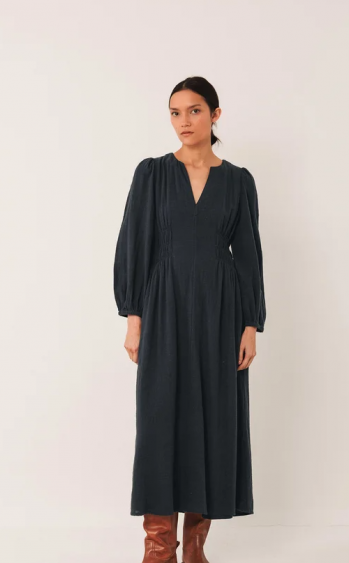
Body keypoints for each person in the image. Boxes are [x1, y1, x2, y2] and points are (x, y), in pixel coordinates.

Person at [113, 76, 266, 563]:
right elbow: (134, 244)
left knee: (215, 420)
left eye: (195, 111)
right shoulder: (152, 174)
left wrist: (250, 324)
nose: (184, 121)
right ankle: (159, 547)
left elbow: (248, 255)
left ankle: (196, 546)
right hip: (164, 307)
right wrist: (133, 317)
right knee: (159, 420)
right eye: (175, 113)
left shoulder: (238, 181)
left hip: (221, 313)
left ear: (215, 115)